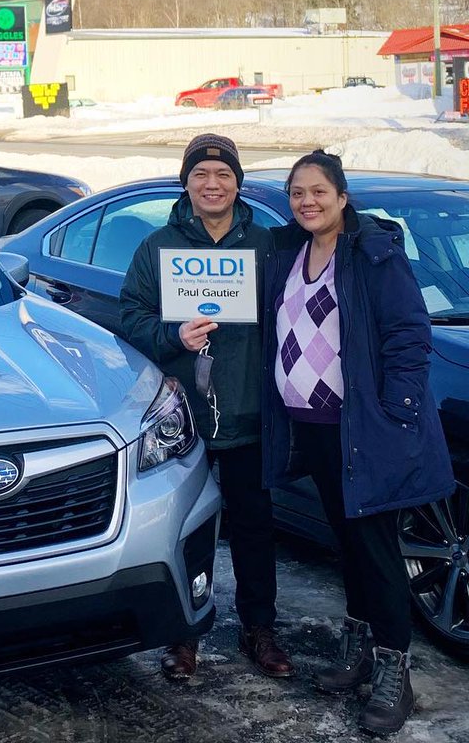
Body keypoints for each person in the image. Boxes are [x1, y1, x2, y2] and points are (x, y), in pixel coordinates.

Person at [262, 150, 454, 736]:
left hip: (360, 430)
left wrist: (395, 411)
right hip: (313, 427)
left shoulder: (374, 255)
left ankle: (395, 670)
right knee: (345, 540)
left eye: (319, 192)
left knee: (375, 547)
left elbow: (409, 335)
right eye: (298, 193)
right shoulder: (289, 252)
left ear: (342, 198)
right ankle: (360, 648)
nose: (307, 202)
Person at [120, 133, 294, 681]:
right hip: (183, 423)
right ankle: (183, 635)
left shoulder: (267, 246)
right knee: (185, 529)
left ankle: (258, 628)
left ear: (238, 182)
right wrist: (173, 334)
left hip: (249, 412)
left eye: (222, 175)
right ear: (186, 182)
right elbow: (131, 316)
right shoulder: (158, 247)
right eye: (201, 175)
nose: (212, 184)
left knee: (254, 528)